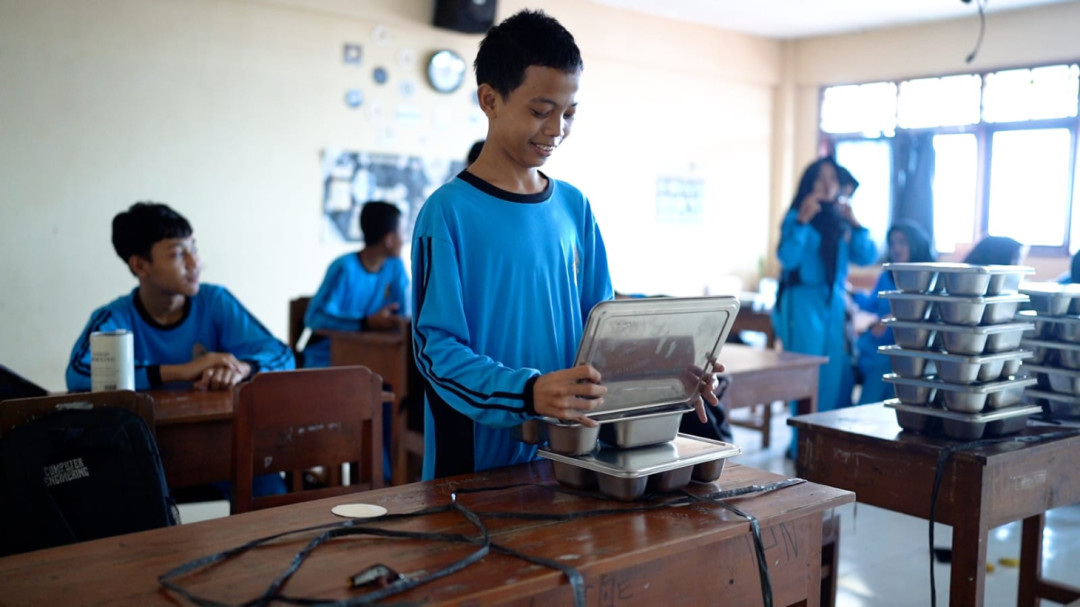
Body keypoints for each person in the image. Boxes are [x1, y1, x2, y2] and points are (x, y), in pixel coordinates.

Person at [411, 10, 723, 480]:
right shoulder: (448, 212)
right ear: (489, 100)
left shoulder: (574, 208)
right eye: (540, 111)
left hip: (572, 463)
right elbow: (436, 351)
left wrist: (670, 369)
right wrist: (527, 393)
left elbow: (604, 331)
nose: (556, 129)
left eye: (569, 113)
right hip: (475, 473)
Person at [66, 202, 295, 392]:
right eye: (178, 253)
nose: (195, 263)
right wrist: (182, 370)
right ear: (140, 266)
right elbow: (78, 374)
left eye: (193, 248)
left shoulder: (214, 301)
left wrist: (243, 369)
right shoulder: (114, 319)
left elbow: (282, 355)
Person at [773, 158, 877, 456]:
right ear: (810, 183)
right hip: (802, 302)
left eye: (833, 179)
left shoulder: (841, 220)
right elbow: (788, 258)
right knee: (806, 375)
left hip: (834, 304)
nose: (828, 185)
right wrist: (803, 222)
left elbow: (866, 254)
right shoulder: (797, 215)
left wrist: (856, 224)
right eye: (821, 179)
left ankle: (829, 443)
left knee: (837, 372)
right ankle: (802, 447)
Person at [301, 201, 410, 368]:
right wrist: (365, 323)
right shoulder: (344, 267)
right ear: (388, 239)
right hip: (328, 359)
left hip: (370, 356)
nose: (404, 239)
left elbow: (407, 311)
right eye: (402, 232)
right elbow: (314, 318)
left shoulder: (394, 266)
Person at [852, 220, 936, 404]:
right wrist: (851, 293)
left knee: (885, 367)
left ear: (915, 244)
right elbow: (874, 303)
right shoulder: (887, 275)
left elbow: (932, 314)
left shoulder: (930, 277)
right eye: (892, 243)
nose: (896, 248)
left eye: (902, 242)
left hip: (909, 346)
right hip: (877, 343)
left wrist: (895, 319)